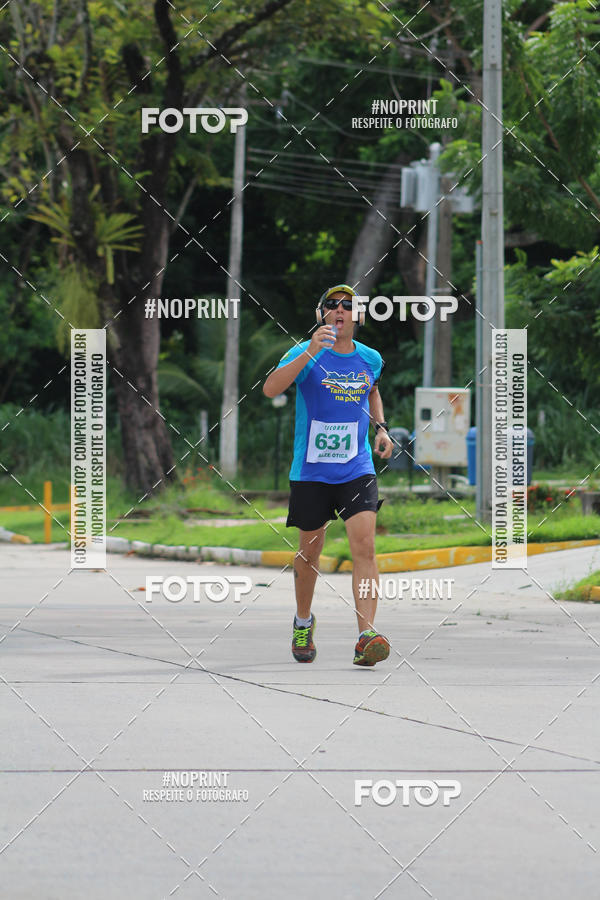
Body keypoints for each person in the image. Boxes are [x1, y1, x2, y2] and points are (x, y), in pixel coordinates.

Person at [263, 284, 394, 666]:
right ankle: (303, 621)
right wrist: (310, 350)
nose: (340, 310)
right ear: (321, 314)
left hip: (356, 467)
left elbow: (371, 391)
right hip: (312, 471)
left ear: (358, 317)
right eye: (332, 305)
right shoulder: (304, 352)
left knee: (365, 546)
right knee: (310, 551)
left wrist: (381, 428)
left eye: (348, 306)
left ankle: (366, 635)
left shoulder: (370, 358)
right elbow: (271, 389)